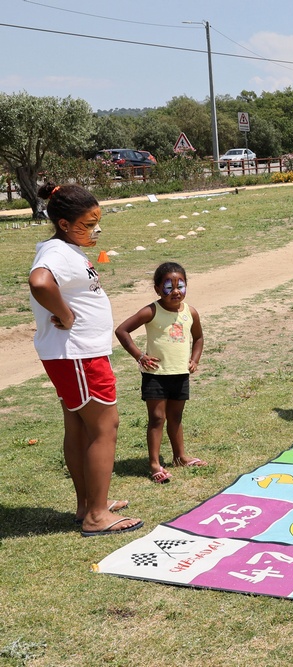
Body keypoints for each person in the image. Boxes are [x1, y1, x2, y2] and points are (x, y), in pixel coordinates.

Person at [28, 183, 143, 537]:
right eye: (88, 223)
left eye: (97, 221)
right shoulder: (56, 253)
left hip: (76, 356)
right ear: (64, 224)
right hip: (78, 355)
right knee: (105, 426)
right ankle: (96, 516)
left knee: (80, 428)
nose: (96, 230)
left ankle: (88, 504)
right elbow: (40, 283)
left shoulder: (64, 248)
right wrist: (65, 315)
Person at [115, 262, 205, 484]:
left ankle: (180, 456)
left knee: (176, 417)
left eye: (180, 286)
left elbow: (199, 338)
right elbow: (122, 330)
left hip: (180, 374)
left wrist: (194, 360)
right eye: (168, 287)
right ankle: (155, 463)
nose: (175, 291)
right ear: (157, 289)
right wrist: (139, 356)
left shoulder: (190, 312)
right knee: (157, 418)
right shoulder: (152, 311)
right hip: (155, 375)